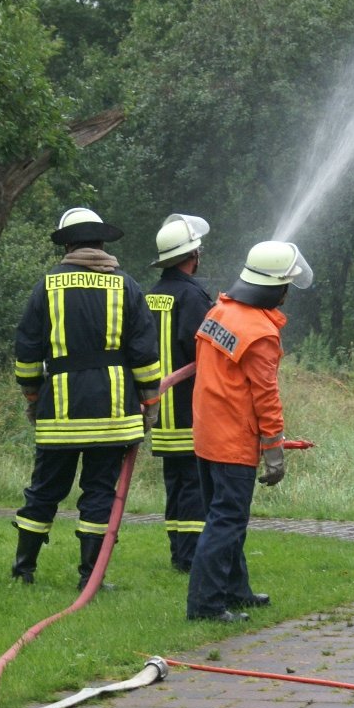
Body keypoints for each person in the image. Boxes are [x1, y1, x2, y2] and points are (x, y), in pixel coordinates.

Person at [12, 207, 161, 588]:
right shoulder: (126, 285)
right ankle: (90, 577)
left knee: (45, 489)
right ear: (100, 242)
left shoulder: (46, 285)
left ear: (68, 244)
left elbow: (27, 349)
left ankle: (23, 570)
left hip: (59, 411)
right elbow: (144, 351)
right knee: (99, 493)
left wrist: (32, 395)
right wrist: (150, 400)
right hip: (113, 413)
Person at [186, 239, 313, 623]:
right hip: (233, 442)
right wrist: (274, 449)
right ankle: (206, 606)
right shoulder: (260, 333)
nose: (289, 291)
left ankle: (235, 590)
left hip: (207, 434)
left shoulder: (220, 312)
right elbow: (266, 397)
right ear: (274, 286)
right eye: (287, 284)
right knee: (226, 522)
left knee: (225, 518)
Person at [146, 213, 212, 573]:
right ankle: (189, 558)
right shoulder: (193, 297)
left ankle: (178, 551)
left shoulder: (151, 296)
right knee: (193, 486)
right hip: (190, 408)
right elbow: (205, 350)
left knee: (176, 483)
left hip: (159, 411)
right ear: (192, 256)